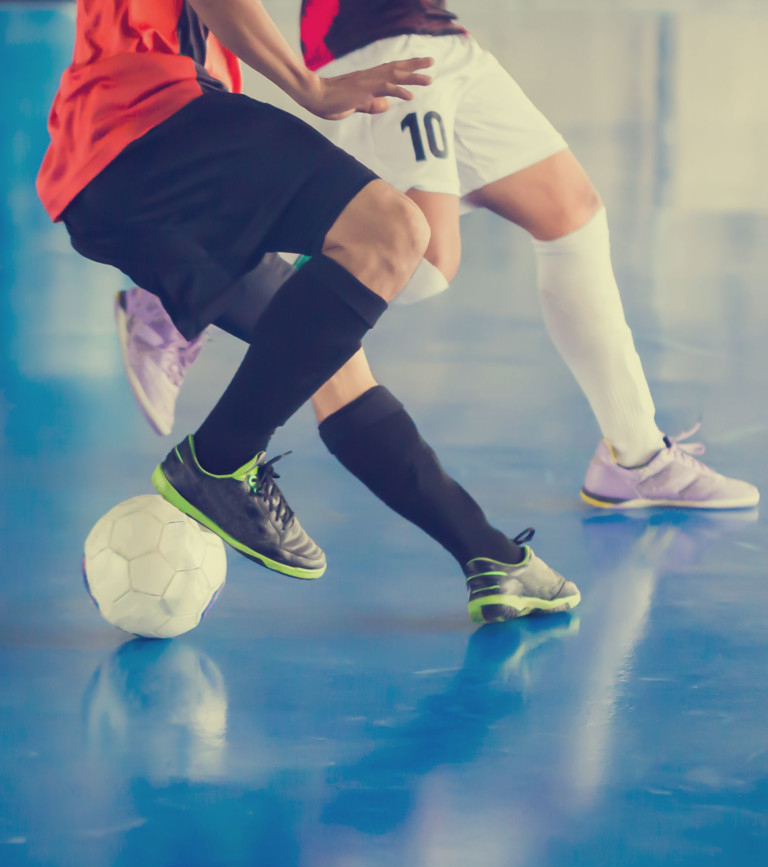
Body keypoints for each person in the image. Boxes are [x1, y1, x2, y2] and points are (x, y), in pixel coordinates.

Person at [37, 0, 580, 624]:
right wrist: (309, 86)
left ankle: (489, 557)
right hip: (152, 121)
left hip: (113, 181)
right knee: (394, 231)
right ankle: (214, 461)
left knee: (332, 365)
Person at [119, 0, 759, 512]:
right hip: (378, 36)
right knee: (417, 258)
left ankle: (636, 456)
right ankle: (185, 291)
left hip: (444, 38)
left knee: (572, 214)